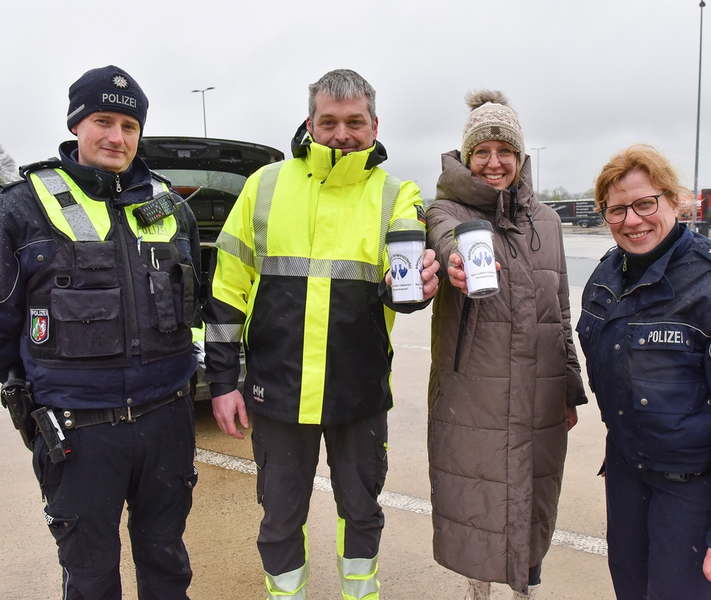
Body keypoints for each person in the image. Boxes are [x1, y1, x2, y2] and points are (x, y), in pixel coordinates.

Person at [202, 68, 440, 600]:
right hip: (278, 392)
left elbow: (405, 286)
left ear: (374, 125)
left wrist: (418, 288)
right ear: (310, 122)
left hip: (358, 394)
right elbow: (226, 291)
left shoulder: (397, 193)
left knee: (361, 509)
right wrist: (221, 382)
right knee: (281, 515)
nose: (342, 134)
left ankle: (362, 594)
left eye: (355, 122)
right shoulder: (264, 186)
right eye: (329, 121)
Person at [0, 65, 201, 599]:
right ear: (76, 125)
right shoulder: (21, 208)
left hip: (168, 424)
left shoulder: (172, 206)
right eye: (102, 121)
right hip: (78, 434)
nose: (117, 137)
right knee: (89, 579)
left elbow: (194, 303)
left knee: (168, 566)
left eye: (130, 126)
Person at [577, 144, 711, 599]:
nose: (632, 220)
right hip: (629, 476)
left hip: (694, 494)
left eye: (644, 203)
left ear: (674, 200)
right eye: (616, 210)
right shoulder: (607, 276)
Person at [425, 90, 588, 600]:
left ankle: (527, 590)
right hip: (475, 395)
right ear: (467, 156)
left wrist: (569, 387)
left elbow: (561, 312)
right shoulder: (443, 209)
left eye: (505, 151)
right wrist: (454, 261)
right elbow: (446, 237)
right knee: (479, 504)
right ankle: (479, 591)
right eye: (482, 151)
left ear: (520, 157)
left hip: (539, 395)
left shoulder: (548, 222)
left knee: (532, 502)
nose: (494, 163)